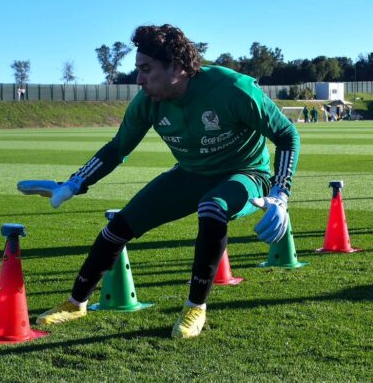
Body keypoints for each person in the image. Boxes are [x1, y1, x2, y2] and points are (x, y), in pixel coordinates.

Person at [19, 24, 299, 338]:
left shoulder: (233, 88)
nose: (139, 79)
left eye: (146, 70)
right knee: (120, 226)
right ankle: (75, 303)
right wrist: (73, 183)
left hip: (247, 175)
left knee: (212, 207)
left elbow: (287, 135)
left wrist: (280, 192)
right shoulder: (147, 103)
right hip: (191, 173)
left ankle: (195, 307)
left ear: (177, 67)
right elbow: (117, 148)